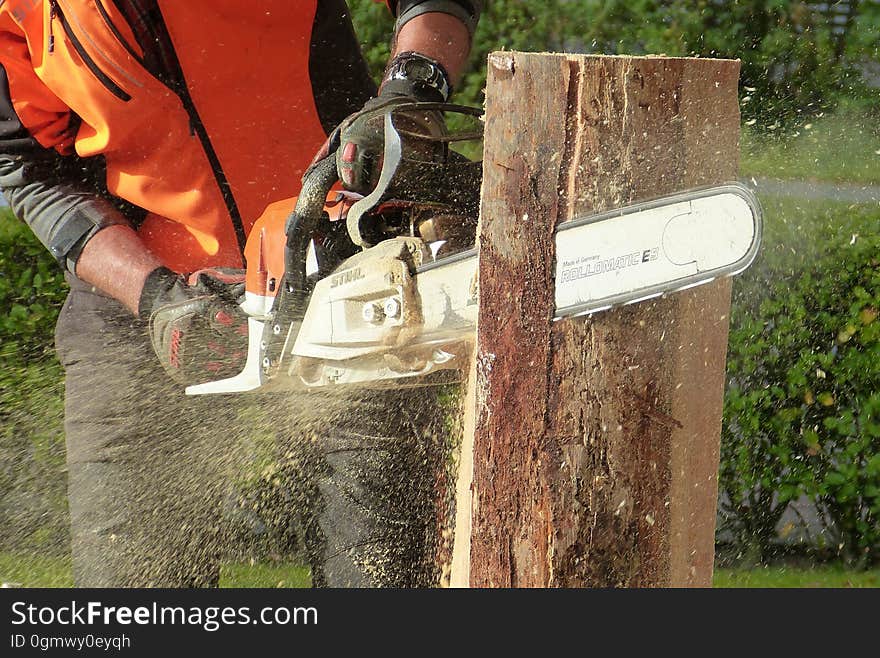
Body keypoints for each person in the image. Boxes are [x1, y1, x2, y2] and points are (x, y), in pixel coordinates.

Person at [0, 0, 480, 587]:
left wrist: (409, 89)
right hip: (140, 292)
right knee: (134, 595)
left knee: (382, 576)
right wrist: (153, 297)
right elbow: (26, 166)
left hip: (344, 258)